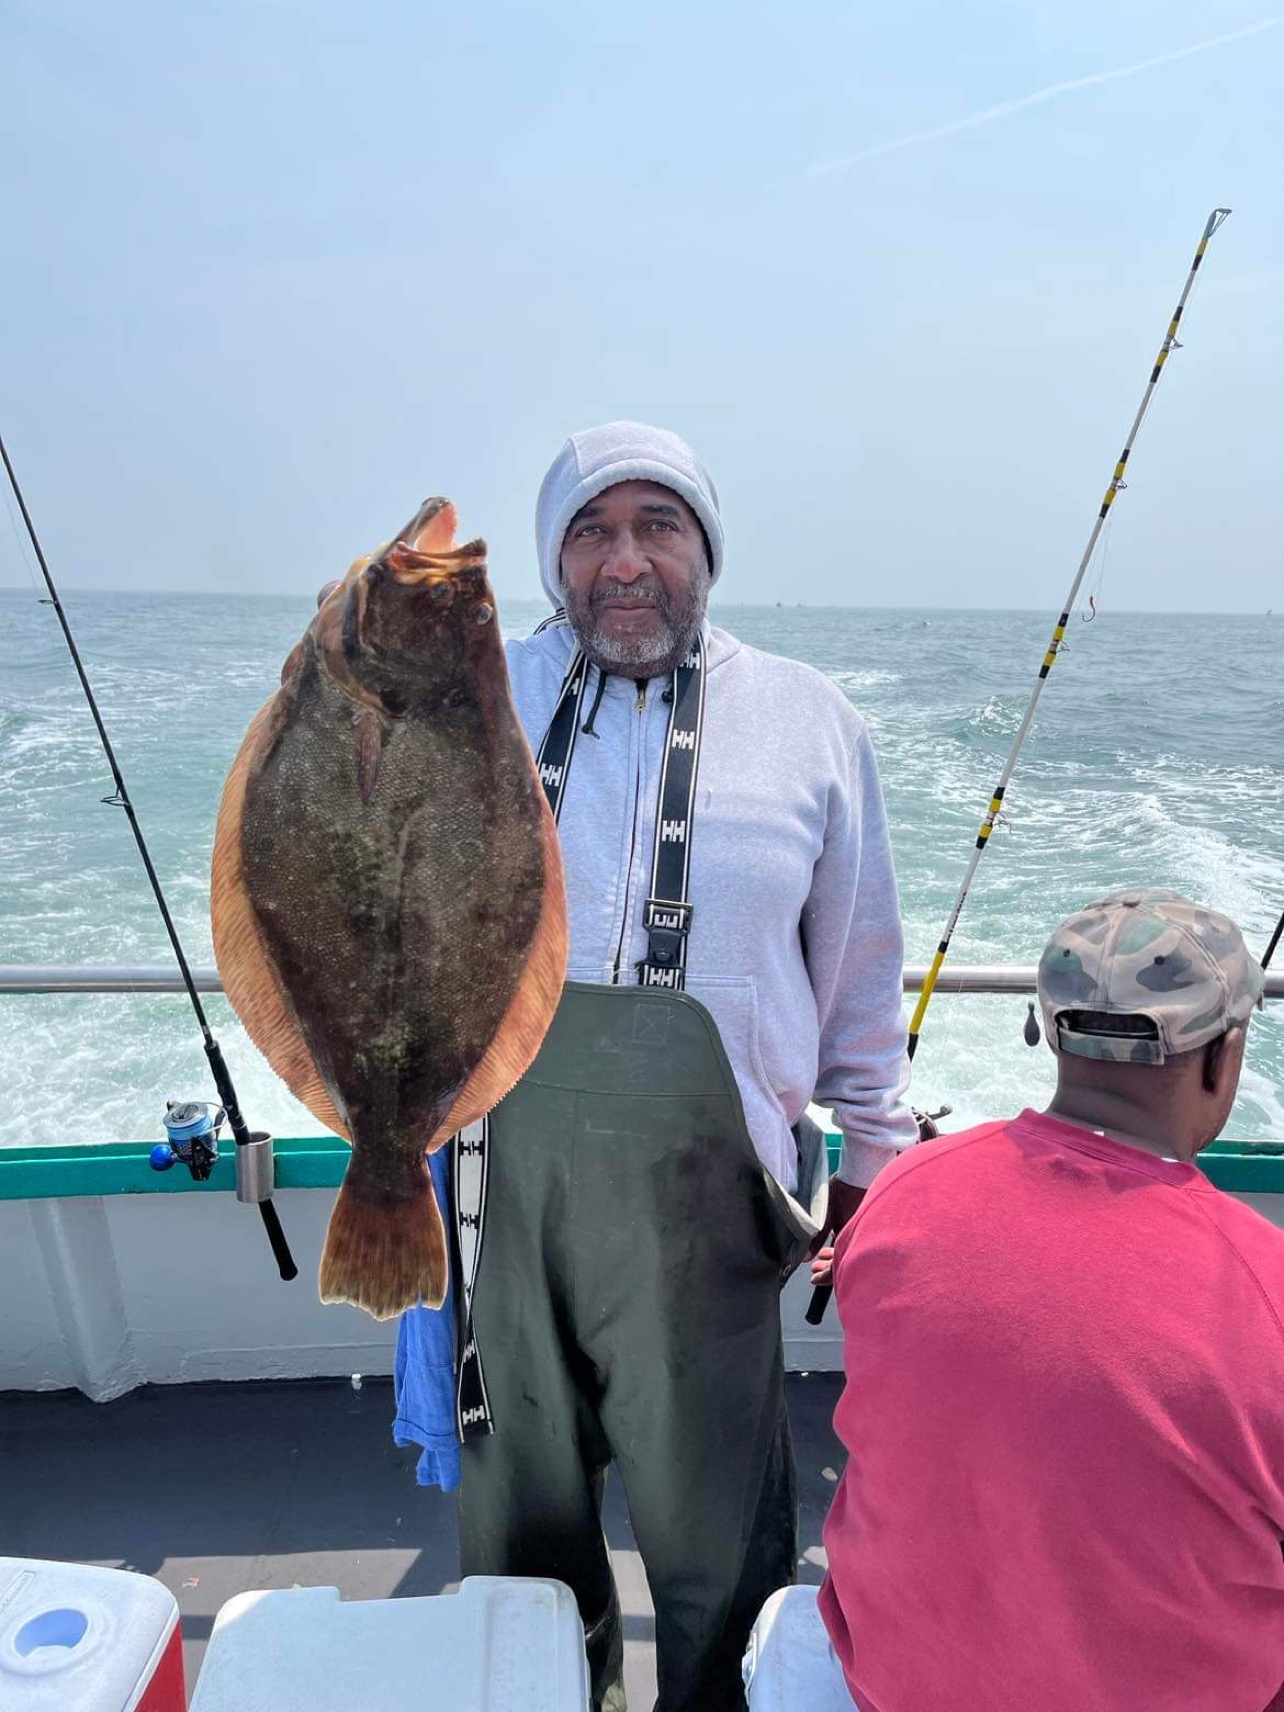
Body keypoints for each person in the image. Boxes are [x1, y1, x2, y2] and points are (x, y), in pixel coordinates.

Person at [394, 420, 917, 1712]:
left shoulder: (812, 723)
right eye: (591, 532)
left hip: (712, 1219)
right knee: (523, 1557)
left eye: (658, 526)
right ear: (552, 562)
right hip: (496, 1204)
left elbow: (860, 972)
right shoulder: (464, 696)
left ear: (708, 549)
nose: (625, 562)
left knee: (720, 1564)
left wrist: (874, 1159)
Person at [818, 887, 1282, 1712]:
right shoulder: (1264, 1283)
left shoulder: (905, 1187)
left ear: (1048, 1027)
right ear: (1224, 1056)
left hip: (890, 1682)